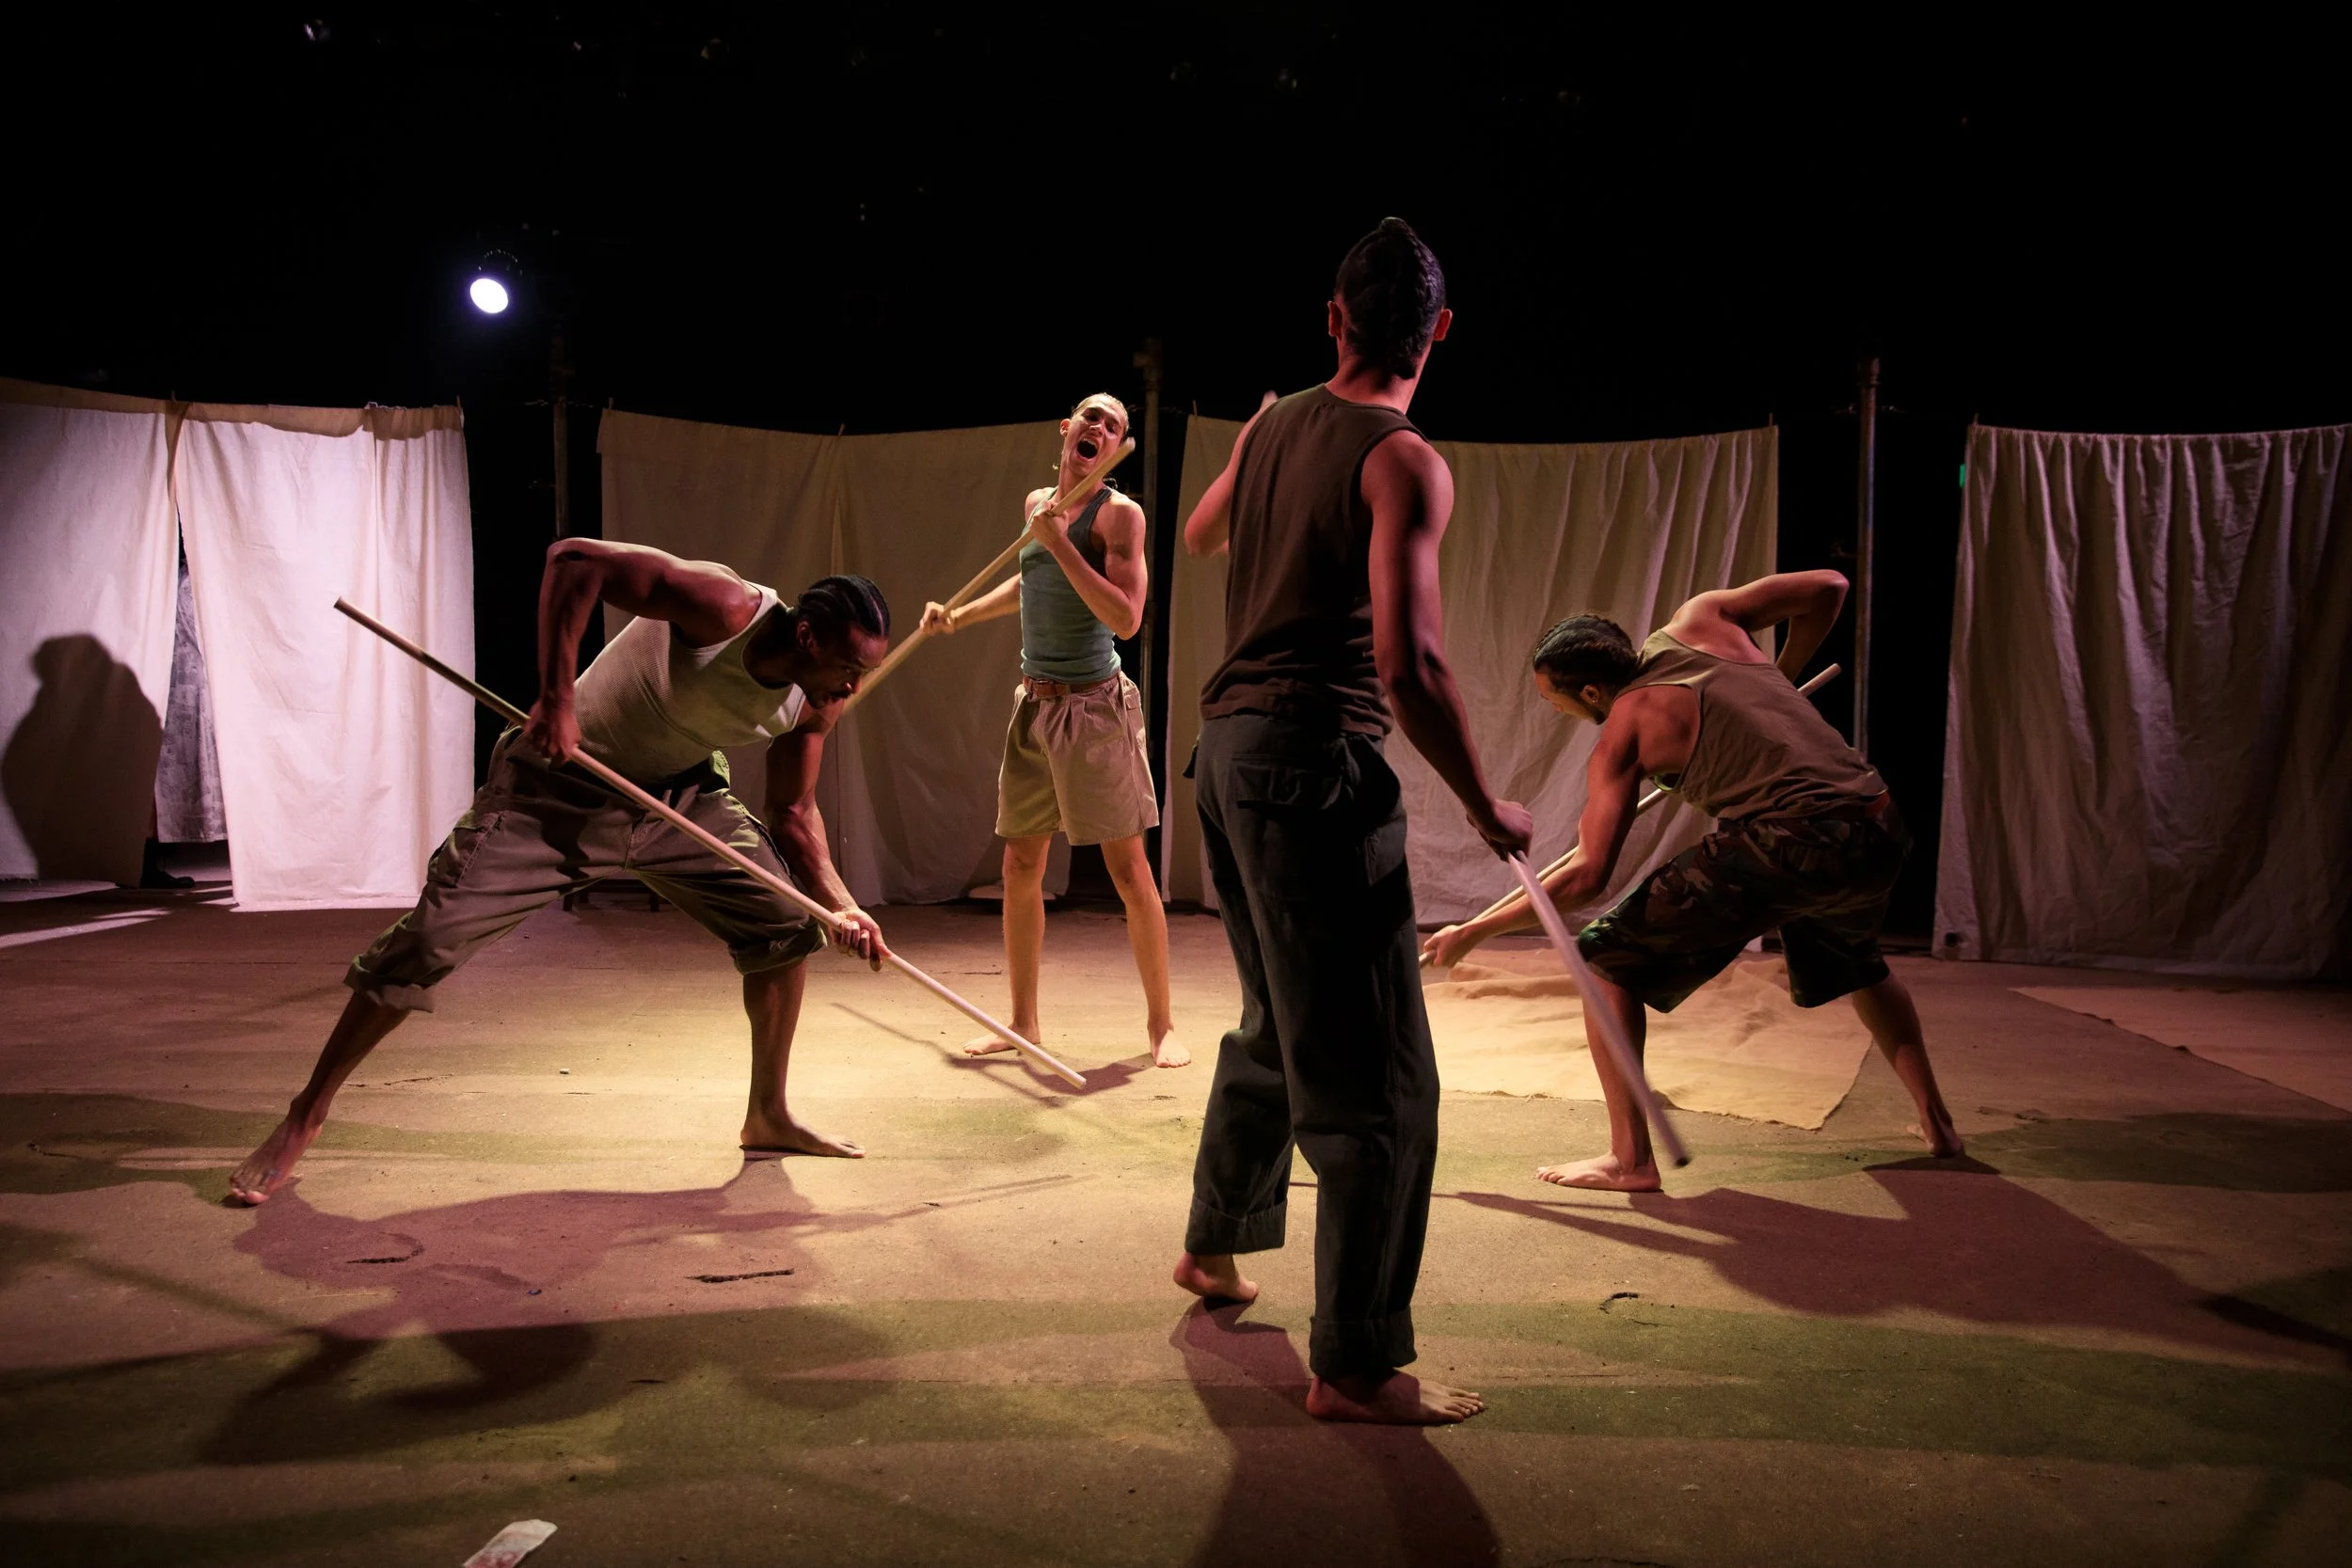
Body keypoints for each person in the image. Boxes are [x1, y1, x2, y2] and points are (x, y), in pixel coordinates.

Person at [228, 543, 896, 1206]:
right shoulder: (723, 608)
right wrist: (557, 699)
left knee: (782, 922)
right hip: (557, 789)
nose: (853, 686)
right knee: (428, 941)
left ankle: (768, 1114)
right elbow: (575, 561)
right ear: (806, 635)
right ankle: (305, 1113)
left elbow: (794, 810)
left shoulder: (816, 697)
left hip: (674, 801)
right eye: (847, 666)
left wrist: (839, 905)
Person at [1171, 218, 1533, 1426]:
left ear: (1332, 317)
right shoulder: (1403, 457)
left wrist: (1265, 428)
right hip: (1309, 767)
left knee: (1279, 1021)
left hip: (1223, 757)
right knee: (1381, 1081)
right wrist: (1487, 802)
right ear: (1437, 330)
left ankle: (1215, 1243)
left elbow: (1200, 531)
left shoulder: (1274, 425)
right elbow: (1411, 659)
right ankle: (1358, 1361)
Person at [1420, 572, 1965, 1190]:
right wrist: (1779, 672)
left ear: (1593, 690)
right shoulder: (1702, 622)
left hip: (1795, 841)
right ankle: (1937, 1120)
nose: (1562, 711)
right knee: (1859, 961)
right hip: (1878, 826)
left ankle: (1630, 1161)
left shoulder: (1624, 730)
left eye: (1557, 702)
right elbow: (1830, 588)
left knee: (1607, 960)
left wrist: (1475, 930)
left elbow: (1587, 874)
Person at [919, 394, 1186, 1069]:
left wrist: (1060, 541)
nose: (1099, 427)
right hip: (1035, 706)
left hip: (1095, 710)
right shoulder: (1040, 502)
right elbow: (1027, 583)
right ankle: (1022, 1023)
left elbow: (1125, 617)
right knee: (1020, 865)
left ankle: (1161, 1025)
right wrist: (959, 615)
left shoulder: (1120, 515)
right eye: (1089, 417)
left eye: (1114, 424)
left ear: (1119, 444)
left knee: (1128, 871)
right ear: (1067, 430)